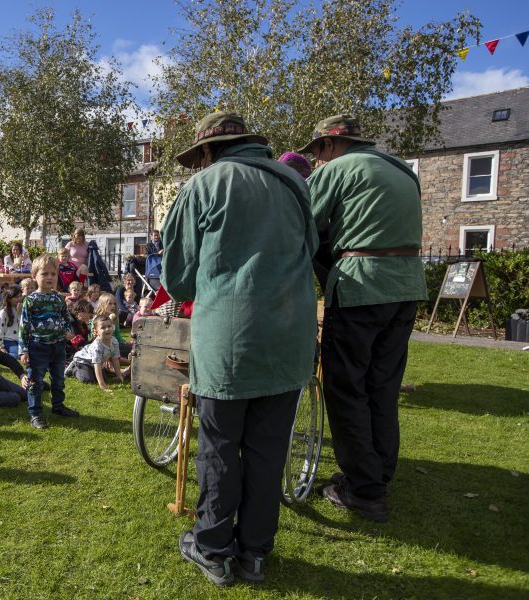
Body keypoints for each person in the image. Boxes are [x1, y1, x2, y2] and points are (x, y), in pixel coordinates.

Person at [161, 111, 317, 586]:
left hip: (231, 339)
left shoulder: (205, 184)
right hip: (290, 338)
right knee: (268, 450)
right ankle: (253, 554)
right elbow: (313, 247)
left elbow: (177, 276)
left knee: (221, 447)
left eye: (198, 157)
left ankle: (212, 547)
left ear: (208, 151)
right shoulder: (296, 183)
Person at [299, 114, 427, 523]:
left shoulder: (337, 170)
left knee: (346, 388)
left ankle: (364, 491)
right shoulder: (402, 169)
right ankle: (377, 474)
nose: (316, 160)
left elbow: (303, 226)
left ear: (329, 145)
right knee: (382, 387)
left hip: (361, 288)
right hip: (406, 288)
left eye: (316, 151)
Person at [18, 254, 79, 429]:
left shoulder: (59, 298)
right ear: (34, 276)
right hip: (37, 347)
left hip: (58, 346)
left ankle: (58, 406)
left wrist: (68, 332)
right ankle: (35, 413)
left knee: (59, 379)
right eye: (44, 274)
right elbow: (24, 325)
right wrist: (24, 350)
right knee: (35, 381)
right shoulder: (30, 300)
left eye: (53, 274)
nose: (49, 277)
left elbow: (66, 318)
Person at [65, 315, 124, 391]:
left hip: (96, 362)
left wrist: (119, 376)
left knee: (104, 378)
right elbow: (97, 366)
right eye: (103, 328)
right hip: (83, 361)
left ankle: (90, 372)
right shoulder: (98, 345)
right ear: (96, 332)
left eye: (109, 326)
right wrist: (103, 385)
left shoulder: (114, 341)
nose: (107, 329)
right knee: (88, 379)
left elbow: (115, 360)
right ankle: (74, 370)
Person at [0, 287, 22, 358]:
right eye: (16, 297)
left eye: (20, 296)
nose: (19, 299)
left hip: (19, 340)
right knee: (15, 355)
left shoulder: (21, 309)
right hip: (8, 340)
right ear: (9, 299)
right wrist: (1, 346)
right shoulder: (3, 312)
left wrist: (21, 314)